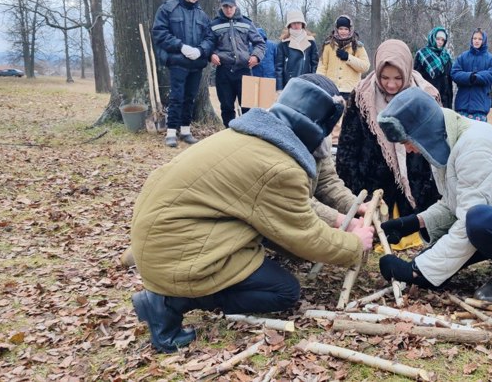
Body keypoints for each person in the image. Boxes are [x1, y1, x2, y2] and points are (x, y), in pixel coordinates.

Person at [129, 75, 374, 353]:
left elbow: (317, 192)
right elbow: (304, 233)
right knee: (284, 292)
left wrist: (350, 208)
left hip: (166, 237)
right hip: (176, 249)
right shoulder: (278, 165)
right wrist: (354, 243)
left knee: (285, 248)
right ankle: (169, 303)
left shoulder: (257, 134)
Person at [374, 88, 492, 304]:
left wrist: (415, 270)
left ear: (422, 131)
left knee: (478, 221)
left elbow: (470, 218)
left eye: (407, 142)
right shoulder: (449, 140)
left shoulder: (475, 148)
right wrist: (410, 224)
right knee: (436, 260)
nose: (409, 150)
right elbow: (454, 203)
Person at [336, 39, 442, 220]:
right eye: (384, 78)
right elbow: (348, 147)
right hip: (371, 187)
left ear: (407, 71)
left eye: (398, 78)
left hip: (415, 188)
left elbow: (436, 146)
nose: (391, 85)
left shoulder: (425, 96)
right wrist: (352, 193)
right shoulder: (361, 97)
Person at [152, 0, 215, 147]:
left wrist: (200, 50)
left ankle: (185, 131)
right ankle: (171, 132)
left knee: (190, 98)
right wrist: (180, 47)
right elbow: (159, 32)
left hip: (196, 64)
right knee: (176, 97)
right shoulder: (168, 8)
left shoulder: (202, 15)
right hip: (177, 61)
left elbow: (210, 38)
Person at [210, 0, 266, 127]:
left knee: (249, 107)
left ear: (235, 6)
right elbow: (208, 45)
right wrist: (211, 55)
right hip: (224, 72)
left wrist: (256, 56)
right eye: (225, 7)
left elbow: (260, 43)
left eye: (231, 6)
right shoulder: (214, 24)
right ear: (221, 7)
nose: (228, 9)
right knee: (227, 107)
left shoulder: (246, 23)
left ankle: (248, 135)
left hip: (244, 71)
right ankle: (229, 134)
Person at [317, 15, 371, 145]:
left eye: (345, 29)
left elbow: (365, 66)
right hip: (332, 87)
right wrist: (320, 82)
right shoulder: (328, 45)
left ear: (350, 29)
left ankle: (347, 143)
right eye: (340, 28)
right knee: (333, 117)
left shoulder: (358, 46)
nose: (343, 31)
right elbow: (323, 65)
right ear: (336, 29)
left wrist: (348, 58)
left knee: (348, 118)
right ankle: (333, 143)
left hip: (350, 88)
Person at [450, 28, 492, 122]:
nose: (477, 41)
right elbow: (455, 73)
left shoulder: (491, 59)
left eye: (480, 39)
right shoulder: (462, 57)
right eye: (475, 38)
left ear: (484, 41)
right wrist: (469, 77)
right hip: (462, 106)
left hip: (480, 108)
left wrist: (476, 77)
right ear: (471, 39)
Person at [275, 10, 318, 90]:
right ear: (289, 25)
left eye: (298, 23)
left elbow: (315, 64)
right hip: (289, 84)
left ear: (302, 24)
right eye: (294, 23)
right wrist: (279, 89)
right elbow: (279, 68)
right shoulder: (283, 44)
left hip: (307, 82)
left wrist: (314, 83)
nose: (296, 25)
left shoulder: (311, 42)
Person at [414, 26, 453, 109]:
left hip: (444, 98)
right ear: (432, 38)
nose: (440, 42)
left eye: (443, 40)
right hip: (428, 96)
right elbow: (416, 77)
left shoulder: (446, 56)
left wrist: (449, 99)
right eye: (438, 39)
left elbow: (449, 79)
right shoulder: (422, 54)